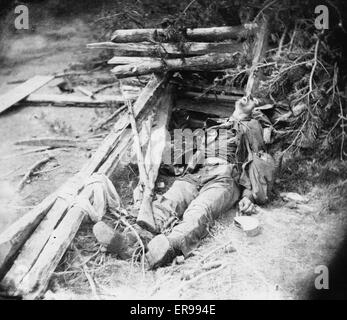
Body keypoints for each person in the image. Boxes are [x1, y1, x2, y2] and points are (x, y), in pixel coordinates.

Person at [94, 96, 276, 269]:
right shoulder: (217, 125)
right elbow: (189, 150)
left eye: (253, 100)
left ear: (256, 110)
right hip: (196, 173)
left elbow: (257, 163)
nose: (247, 97)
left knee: (199, 210)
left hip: (224, 178)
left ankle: (170, 247)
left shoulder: (253, 127)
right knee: (167, 203)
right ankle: (130, 241)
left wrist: (247, 195)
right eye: (246, 96)